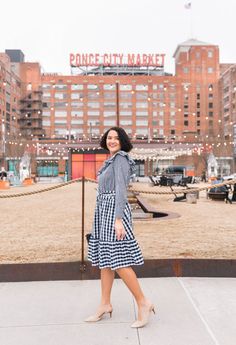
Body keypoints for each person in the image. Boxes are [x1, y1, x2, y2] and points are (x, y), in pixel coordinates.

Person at [86, 127, 155, 328]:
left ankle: (143, 302)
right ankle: (105, 304)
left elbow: (121, 191)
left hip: (114, 213)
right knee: (105, 260)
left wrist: (118, 220)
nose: (112, 140)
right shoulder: (111, 159)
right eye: (109, 138)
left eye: (116, 138)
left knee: (118, 259)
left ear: (123, 141)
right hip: (103, 211)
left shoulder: (121, 159)